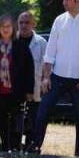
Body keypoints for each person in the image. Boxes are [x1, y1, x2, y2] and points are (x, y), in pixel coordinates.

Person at [32, 0, 79, 157]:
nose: (63, 2)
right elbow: (50, 52)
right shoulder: (59, 20)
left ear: (78, 0)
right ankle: (33, 152)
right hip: (57, 78)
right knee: (42, 114)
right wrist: (46, 77)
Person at [0, 15, 35, 152]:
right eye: (3, 26)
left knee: (16, 124)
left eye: (8, 26)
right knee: (0, 124)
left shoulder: (21, 47)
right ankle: (0, 150)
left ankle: (15, 150)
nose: (6, 29)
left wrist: (29, 91)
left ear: (13, 28)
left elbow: (29, 70)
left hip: (16, 92)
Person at [16, 11, 48, 150]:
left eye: (27, 22)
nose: (23, 25)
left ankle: (32, 150)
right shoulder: (11, 40)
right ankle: (14, 149)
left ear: (34, 24)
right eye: (21, 22)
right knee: (15, 123)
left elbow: (47, 65)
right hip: (15, 90)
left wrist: (44, 82)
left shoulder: (41, 43)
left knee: (33, 123)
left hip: (36, 90)